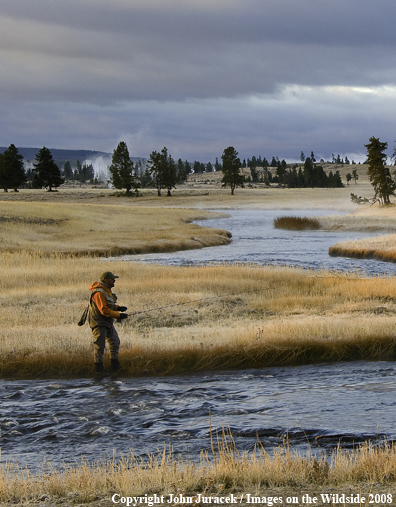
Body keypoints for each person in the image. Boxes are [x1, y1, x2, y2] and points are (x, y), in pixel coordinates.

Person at [88, 271, 128, 374]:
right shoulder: (99, 293)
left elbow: (108, 305)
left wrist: (118, 308)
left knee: (115, 342)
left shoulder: (106, 291)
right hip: (98, 323)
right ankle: (99, 370)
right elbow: (104, 310)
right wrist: (118, 315)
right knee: (99, 346)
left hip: (108, 322)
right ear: (106, 280)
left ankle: (115, 368)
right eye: (112, 279)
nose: (114, 280)